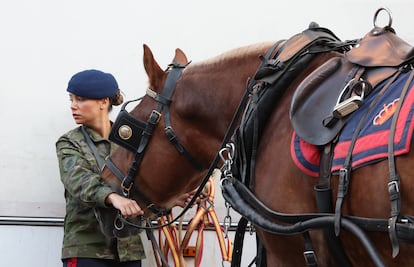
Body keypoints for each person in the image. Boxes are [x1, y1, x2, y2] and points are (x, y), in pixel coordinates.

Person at [56, 69, 146, 267]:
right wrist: (113, 197)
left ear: (104, 102)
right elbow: (79, 181)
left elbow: (147, 181)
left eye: (79, 99)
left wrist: (174, 198)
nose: (73, 106)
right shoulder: (69, 142)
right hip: (87, 249)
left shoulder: (130, 141)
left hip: (129, 249)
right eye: (71, 99)